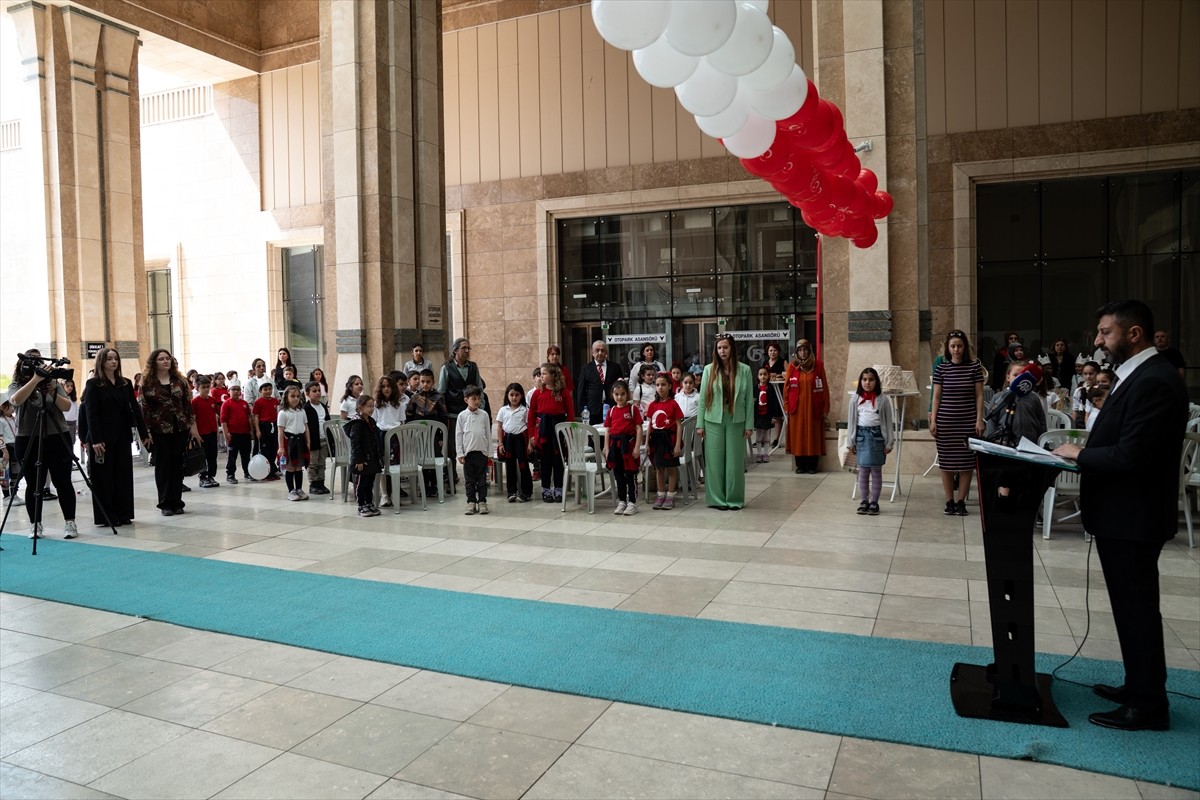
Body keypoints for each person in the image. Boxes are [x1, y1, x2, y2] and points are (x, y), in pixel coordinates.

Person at [1051, 300, 1188, 732]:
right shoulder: (1138, 376)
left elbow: (1133, 456)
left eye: (1105, 332)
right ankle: (1139, 686)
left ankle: (1148, 706)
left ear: (1133, 334)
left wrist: (1081, 453)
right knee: (1132, 608)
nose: (1097, 341)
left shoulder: (1155, 380)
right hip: (1122, 515)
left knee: (1137, 610)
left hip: (1134, 517)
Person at [7, 350, 79, 538]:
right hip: (29, 437)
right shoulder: (16, 385)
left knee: (63, 482)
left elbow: (66, 406)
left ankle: (70, 522)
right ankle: (35, 524)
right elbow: (16, 400)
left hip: (57, 436)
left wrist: (52, 388)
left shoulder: (53, 384)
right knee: (34, 484)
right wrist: (35, 381)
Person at [81, 348, 146, 528]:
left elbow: (135, 408)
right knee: (104, 478)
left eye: (115, 359)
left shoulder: (124, 383)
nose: (113, 362)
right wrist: (95, 439)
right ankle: (107, 516)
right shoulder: (94, 384)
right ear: (102, 362)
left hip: (122, 435)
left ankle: (124, 513)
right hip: (101, 437)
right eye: (109, 359)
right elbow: (90, 413)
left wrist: (144, 433)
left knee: (123, 476)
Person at [139, 348, 201, 516]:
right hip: (159, 430)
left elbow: (187, 406)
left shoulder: (179, 380)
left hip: (179, 428)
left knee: (177, 465)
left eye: (168, 358)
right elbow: (143, 409)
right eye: (161, 359)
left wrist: (193, 427)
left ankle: (177, 501)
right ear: (154, 362)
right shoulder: (147, 382)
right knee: (163, 466)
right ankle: (165, 503)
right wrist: (147, 433)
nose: (165, 361)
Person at [696, 333, 754, 510]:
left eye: (726, 347)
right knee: (714, 461)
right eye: (719, 348)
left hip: (736, 419)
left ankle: (734, 499)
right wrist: (700, 423)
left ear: (732, 349)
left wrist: (749, 424)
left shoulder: (745, 370)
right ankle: (716, 499)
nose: (722, 351)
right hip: (713, 419)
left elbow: (749, 399)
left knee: (735, 462)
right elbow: (703, 399)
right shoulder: (708, 369)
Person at [930, 330, 985, 516]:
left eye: (959, 346)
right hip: (946, 421)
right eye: (952, 346)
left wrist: (979, 419)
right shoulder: (941, 368)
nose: (956, 349)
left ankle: (961, 501)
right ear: (947, 347)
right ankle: (949, 501)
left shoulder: (974, 367)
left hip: (968, 421)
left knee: (966, 463)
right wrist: (933, 419)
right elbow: (936, 396)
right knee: (946, 463)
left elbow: (979, 395)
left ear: (965, 347)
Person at [847, 367, 895, 515]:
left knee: (876, 470)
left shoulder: (883, 399)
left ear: (876, 382)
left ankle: (874, 502)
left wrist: (889, 442)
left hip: (877, 437)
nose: (867, 383)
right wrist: (851, 442)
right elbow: (851, 421)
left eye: (871, 380)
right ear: (860, 381)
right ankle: (864, 501)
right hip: (861, 437)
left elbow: (888, 422)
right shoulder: (855, 399)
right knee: (863, 471)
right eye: (864, 379)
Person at [439, 337, 485, 482]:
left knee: (474, 444)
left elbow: (480, 388)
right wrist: (444, 412)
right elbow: (441, 391)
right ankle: (451, 476)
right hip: (453, 413)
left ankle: (476, 475)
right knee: (453, 446)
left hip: (473, 413)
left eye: (468, 348)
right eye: (464, 348)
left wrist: (480, 407)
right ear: (455, 350)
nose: (467, 351)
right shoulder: (446, 368)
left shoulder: (473, 367)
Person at [528, 361, 574, 503]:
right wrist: (532, 436)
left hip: (559, 428)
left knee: (558, 460)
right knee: (545, 460)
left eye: (544, 374)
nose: (541, 376)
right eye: (540, 374)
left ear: (553, 375)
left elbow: (571, 414)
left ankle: (559, 488)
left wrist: (568, 434)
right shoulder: (538, 393)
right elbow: (531, 415)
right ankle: (546, 488)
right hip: (543, 429)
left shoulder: (563, 392)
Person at [784, 339, 829, 474]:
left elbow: (825, 388)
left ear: (810, 351)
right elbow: (786, 388)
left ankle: (812, 465)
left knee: (812, 435)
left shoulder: (818, 366)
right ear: (796, 352)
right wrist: (786, 406)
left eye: (805, 350)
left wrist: (825, 408)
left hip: (814, 407)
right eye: (800, 350)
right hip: (796, 408)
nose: (803, 353)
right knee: (798, 435)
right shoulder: (792, 367)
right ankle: (800, 465)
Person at [983, 362, 1047, 447]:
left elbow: (1041, 421)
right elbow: (991, 421)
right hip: (1005, 443)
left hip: (1030, 444)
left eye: (1022, 375)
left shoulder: (1034, 398)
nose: (1019, 378)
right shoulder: (998, 397)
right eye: (1015, 375)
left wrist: (1041, 442)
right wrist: (993, 441)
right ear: (1008, 377)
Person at [604, 380, 643, 516]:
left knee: (630, 474)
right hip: (615, 447)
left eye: (622, 394)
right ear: (612, 395)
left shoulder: (632, 409)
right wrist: (607, 449)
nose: (619, 397)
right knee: (618, 474)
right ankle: (622, 500)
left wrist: (637, 447)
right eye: (616, 394)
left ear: (627, 395)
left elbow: (639, 429)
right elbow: (608, 431)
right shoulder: (611, 411)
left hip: (629, 446)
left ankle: (632, 502)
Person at [646, 373, 684, 510]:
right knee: (659, 468)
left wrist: (678, 444)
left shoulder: (673, 404)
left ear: (669, 386)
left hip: (670, 440)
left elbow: (679, 425)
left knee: (671, 468)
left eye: (663, 385)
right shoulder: (652, 405)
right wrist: (647, 444)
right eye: (657, 385)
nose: (660, 388)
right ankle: (661, 494)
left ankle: (670, 495)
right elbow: (650, 424)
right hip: (656, 440)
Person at [457, 385, 492, 515]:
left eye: (479, 398)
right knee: (470, 480)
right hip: (468, 454)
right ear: (466, 400)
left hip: (481, 453)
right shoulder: (462, 416)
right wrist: (460, 453)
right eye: (474, 398)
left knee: (482, 480)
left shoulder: (484, 415)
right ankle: (471, 502)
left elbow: (488, 434)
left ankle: (482, 502)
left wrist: (489, 452)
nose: (477, 401)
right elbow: (459, 435)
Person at [373, 375, 408, 507]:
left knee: (395, 466)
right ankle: (384, 495)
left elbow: (402, 422)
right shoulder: (377, 404)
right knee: (382, 467)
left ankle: (394, 494)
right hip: (381, 436)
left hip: (395, 438)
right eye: (383, 386)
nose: (386, 389)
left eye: (389, 386)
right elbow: (374, 422)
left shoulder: (398, 405)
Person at [494, 383, 532, 503]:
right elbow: (499, 427)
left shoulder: (525, 410)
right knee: (509, 466)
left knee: (523, 466)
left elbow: (529, 427)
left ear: (521, 396)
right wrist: (500, 443)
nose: (514, 397)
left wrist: (530, 443)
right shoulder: (503, 410)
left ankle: (526, 492)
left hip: (521, 440)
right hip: (508, 440)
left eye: (517, 395)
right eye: (511, 395)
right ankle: (511, 492)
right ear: (507, 396)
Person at [346, 394, 383, 517]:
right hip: (362, 460)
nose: (371, 409)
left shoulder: (371, 421)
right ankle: (361, 504)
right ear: (360, 407)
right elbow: (355, 443)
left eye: (372, 406)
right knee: (361, 482)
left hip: (371, 459)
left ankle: (369, 502)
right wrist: (359, 460)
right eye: (368, 406)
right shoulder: (357, 424)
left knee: (370, 482)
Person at [575, 340, 625, 424]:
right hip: (593, 409)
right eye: (597, 350)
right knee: (594, 435)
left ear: (606, 352)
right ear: (592, 353)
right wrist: (581, 409)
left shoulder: (615, 367)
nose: (600, 353)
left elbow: (621, 387)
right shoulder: (586, 368)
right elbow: (581, 390)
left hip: (612, 407)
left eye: (602, 350)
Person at [277, 385, 311, 501]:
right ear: (286, 397)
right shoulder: (283, 413)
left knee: (299, 467)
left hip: (300, 441)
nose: (295, 399)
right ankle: (291, 490)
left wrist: (308, 441)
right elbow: (280, 431)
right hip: (289, 442)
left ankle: (299, 489)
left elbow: (306, 427)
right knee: (290, 467)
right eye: (292, 396)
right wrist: (281, 447)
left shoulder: (302, 411)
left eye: (297, 396)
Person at [220, 383, 255, 483]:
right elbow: (223, 420)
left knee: (246, 455)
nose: (236, 391)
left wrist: (251, 431)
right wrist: (226, 434)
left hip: (245, 434)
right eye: (233, 389)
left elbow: (249, 417)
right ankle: (230, 474)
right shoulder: (226, 403)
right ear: (228, 391)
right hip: (233, 434)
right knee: (232, 456)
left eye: (238, 389)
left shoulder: (244, 403)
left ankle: (247, 473)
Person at [191, 375, 220, 488]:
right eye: (203, 387)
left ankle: (211, 476)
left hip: (212, 432)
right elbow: (193, 419)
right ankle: (203, 477)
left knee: (213, 456)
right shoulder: (195, 402)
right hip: (201, 434)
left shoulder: (212, 400)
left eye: (208, 387)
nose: (206, 389)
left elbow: (214, 416)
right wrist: (195, 433)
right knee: (203, 456)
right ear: (198, 388)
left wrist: (217, 431)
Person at [304, 381, 332, 495]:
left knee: (322, 463)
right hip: (313, 441)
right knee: (312, 463)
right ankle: (313, 484)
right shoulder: (306, 408)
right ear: (307, 394)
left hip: (323, 439)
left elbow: (327, 421)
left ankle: (321, 482)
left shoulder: (323, 406)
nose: (317, 393)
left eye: (319, 390)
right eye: (314, 391)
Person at [751, 365, 782, 463]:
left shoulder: (771, 389)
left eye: (765, 374)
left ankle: (766, 453)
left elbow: (773, 403)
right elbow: (752, 402)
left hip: (767, 415)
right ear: (757, 376)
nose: (763, 377)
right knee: (759, 436)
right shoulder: (755, 388)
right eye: (760, 374)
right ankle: (759, 454)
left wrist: (773, 416)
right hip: (758, 415)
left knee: (767, 436)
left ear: (768, 376)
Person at [252, 382, 281, 480]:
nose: (268, 391)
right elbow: (256, 417)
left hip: (274, 426)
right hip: (264, 427)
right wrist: (257, 430)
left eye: (269, 389)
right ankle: (265, 471)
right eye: (265, 389)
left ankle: (272, 469)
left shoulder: (275, 401)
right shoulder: (258, 402)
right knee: (265, 450)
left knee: (273, 449)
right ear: (260, 391)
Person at [764, 341, 787, 447]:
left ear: (778, 352)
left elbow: (788, 376)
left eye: (775, 350)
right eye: (770, 350)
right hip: (767, 391)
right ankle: (764, 439)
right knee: (766, 414)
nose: (772, 352)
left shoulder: (783, 362)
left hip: (779, 391)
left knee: (777, 416)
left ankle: (776, 439)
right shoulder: (765, 363)